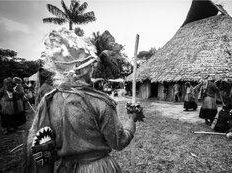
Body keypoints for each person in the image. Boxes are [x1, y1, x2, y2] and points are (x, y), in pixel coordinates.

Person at [24, 28, 144, 173]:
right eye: (90, 66)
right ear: (80, 71)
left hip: (66, 169)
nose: (93, 70)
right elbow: (119, 142)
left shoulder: (49, 101)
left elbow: (43, 146)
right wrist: (132, 119)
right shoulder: (100, 102)